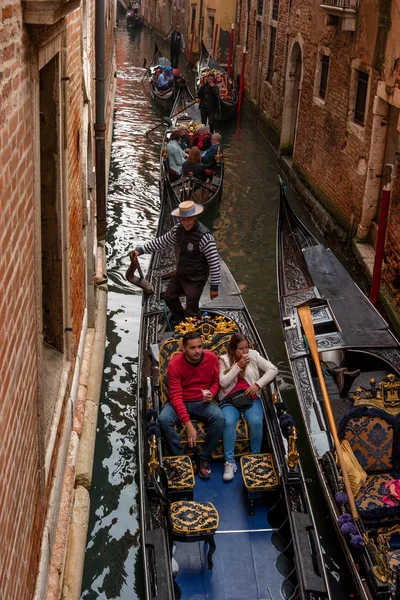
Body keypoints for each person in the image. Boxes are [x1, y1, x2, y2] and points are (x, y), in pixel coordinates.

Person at [130, 200, 221, 324]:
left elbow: (214, 263)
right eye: (183, 219)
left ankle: (195, 332)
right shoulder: (177, 230)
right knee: (169, 297)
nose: (186, 223)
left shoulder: (205, 237)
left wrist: (214, 287)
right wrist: (140, 250)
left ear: (195, 217)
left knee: (191, 309)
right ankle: (183, 323)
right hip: (181, 274)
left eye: (188, 219)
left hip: (196, 279)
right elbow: (161, 242)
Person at [159, 331, 224, 479]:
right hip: (180, 401)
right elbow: (175, 397)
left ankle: (205, 458)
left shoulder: (211, 358)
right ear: (183, 349)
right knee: (163, 419)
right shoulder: (175, 364)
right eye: (193, 348)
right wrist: (189, 426)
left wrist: (212, 393)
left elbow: (216, 382)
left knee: (219, 418)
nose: (197, 351)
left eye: (200, 347)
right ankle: (181, 459)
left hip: (202, 403)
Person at [218, 333, 278, 482]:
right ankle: (229, 462)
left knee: (256, 422)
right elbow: (223, 382)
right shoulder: (224, 360)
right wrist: (238, 366)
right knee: (229, 422)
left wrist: (258, 385)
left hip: (250, 397)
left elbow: (273, 369)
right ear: (233, 349)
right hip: (230, 399)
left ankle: (254, 458)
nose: (245, 352)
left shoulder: (253, 355)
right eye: (241, 349)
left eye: (246, 348)